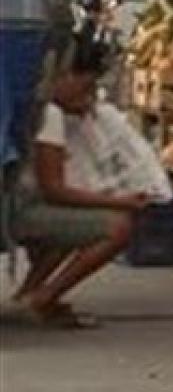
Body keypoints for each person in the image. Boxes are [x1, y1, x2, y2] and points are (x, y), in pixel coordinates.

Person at [10, 37, 147, 328]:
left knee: (75, 223)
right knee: (116, 227)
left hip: (17, 203)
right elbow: (55, 191)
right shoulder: (49, 114)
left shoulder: (31, 103)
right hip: (17, 212)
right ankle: (41, 299)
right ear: (65, 76)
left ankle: (29, 293)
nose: (88, 97)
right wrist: (121, 202)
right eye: (85, 87)